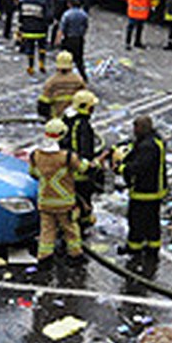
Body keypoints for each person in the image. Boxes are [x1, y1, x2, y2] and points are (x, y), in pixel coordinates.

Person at [29, 119, 87, 265]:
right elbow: (82, 168)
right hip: (64, 202)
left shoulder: (36, 155)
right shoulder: (67, 157)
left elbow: (33, 173)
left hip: (44, 201)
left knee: (47, 231)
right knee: (70, 230)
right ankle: (75, 255)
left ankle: (44, 257)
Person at [115, 114, 168, 263]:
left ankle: (135, 248)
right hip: (154, 190)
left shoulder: (148, 147)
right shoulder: (154, 140)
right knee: (152, 221)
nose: (134, 130)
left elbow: (139, 167)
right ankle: (152, 249)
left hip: (145, 191)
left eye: (135, 127)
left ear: (141, 128)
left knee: (137, 220)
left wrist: (122, 168)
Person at [64, 89, 103, 234]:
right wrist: (95, 165)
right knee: (84, 197)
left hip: (69, 166)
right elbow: (85, 151)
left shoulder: (67, 120)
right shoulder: (83, 126)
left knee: (74, 198)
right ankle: (82, 224)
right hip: (80, 172)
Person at [37, 50, 84, 122]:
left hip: (57, 118)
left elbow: (44, 104)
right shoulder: (78, 80)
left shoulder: (52, 82)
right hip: (75, 117)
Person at [18, 0, 49, 75]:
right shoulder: (42, 3)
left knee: (30, 49)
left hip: (28, 30)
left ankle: (30, 67)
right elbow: (47, 17)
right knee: (42, 47)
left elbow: (21, 17)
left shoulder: (25, 2)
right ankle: (41, 64)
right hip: (40, 30)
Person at [57, 0, 89, 83]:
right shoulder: (83, 14)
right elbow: (85, 26)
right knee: (79, 60)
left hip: (68, 39)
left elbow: (61, 29)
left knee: (65, 60)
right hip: (79, 39)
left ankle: (63, 78)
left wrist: (57, 40)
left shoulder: (67, 14)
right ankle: (84, 77)